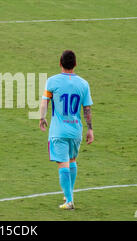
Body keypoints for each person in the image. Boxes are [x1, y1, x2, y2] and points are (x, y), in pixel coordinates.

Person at [39, 50, 94, 210]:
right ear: (75, 64)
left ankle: (69, 201)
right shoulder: (84, 84)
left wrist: (42, 117)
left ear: (60, 63)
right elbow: (87, 109)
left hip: (59, 131)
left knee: (63, 163)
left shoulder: (52, 81)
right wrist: (90, 129)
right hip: (76, 130)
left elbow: (44, 103)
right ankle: (68, 193)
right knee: (72, 160)